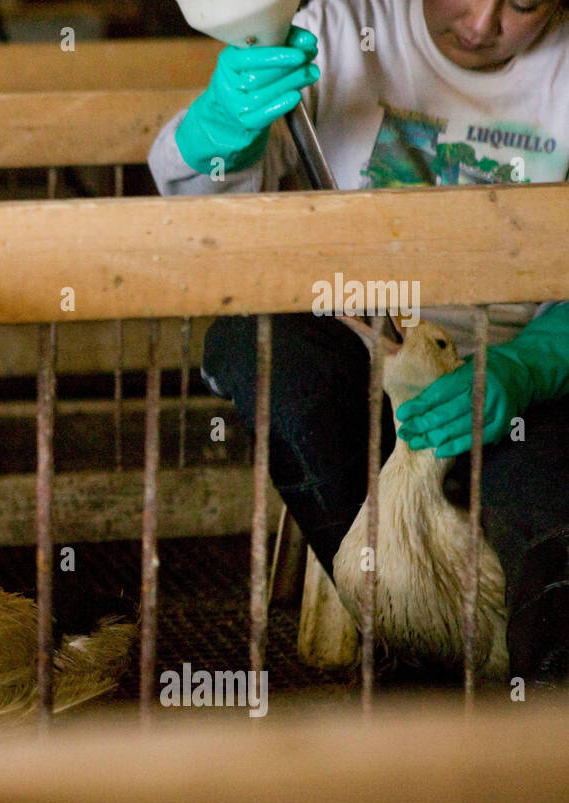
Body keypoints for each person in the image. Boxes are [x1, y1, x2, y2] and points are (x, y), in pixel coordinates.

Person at [149, 0, 569, 683]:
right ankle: (397, 628)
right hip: (361, 363)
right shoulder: (337, 29)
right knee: (253, 345)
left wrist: (531, 365)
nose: (482, 22)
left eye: (522, 3)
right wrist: (222, 130)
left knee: (546, 509)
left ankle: (543, 709)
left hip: (522, 377)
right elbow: (201, 214)